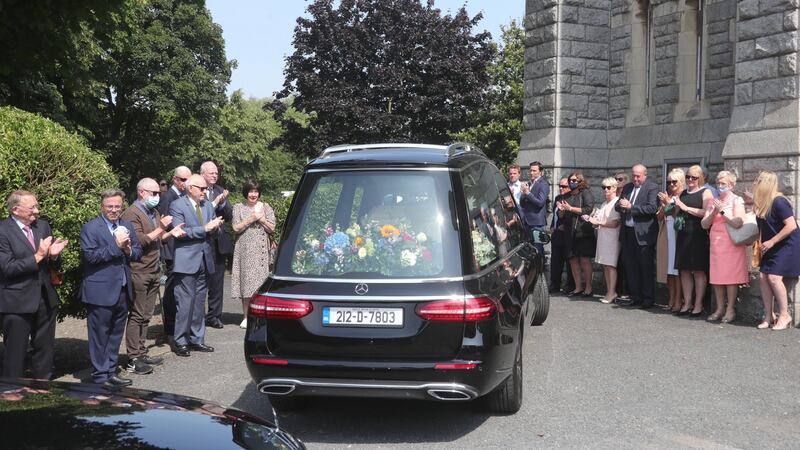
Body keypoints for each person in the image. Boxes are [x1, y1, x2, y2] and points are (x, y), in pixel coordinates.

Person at [0, 190, 68, 379]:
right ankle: (12, 398)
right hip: (17, 303)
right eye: (32, 208)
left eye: (37, 206)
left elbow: (52, 265)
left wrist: (54, 256)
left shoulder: (43, 226)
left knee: (45, 352)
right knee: (15, 355)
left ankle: (42, 392)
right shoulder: (3, 231)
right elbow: (7, 269)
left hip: (45, 299)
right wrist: (38, 255)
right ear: (15, 210)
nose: (37, 211)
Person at [121, 178, 186, 375]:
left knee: (147, 315)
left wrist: (171, 233)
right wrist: (162, 227)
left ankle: (141, 352)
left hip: (154, 269)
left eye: (158, 193)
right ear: (142, 192)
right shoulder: (132, 213)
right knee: (137, 314)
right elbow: (139, 241)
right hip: (139, 270)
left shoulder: (153, 212)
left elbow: (157, 238)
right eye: (154, 193)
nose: (158, 197)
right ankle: (133, 357)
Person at [80, 189, 142, 386]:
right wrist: (116, 246)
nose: (114, 210)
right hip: (100, 291)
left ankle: (111, 370)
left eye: (117, 206)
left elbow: (138, 253)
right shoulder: (91, 228)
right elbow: (91, 257)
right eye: (109, 207)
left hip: (123, 289)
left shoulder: (126, 225)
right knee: (99, 335)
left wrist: (129, 249)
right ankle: (99, 375)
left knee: (116, 333)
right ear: (102, 207)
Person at [169, 174, 225, 356]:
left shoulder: (208, 205)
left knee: (200, 302)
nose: (204, 192)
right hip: (186, 261)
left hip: (205, 259)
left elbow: (216, 232)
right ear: (190, 188)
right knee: (185, 302)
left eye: (205, 189)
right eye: (201, 189)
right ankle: (181, 341)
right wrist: (206, 229)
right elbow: (180, 232)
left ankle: (197, 339)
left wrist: (216, 227)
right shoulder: (177, 205)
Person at [752, 170, 800, 330]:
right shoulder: (763, 202)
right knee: (762, 277)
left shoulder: (779, 201)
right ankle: (768, 315)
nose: (755, 184)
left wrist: (772, 241)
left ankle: (784, 315)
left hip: (787, 244)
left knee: (773, 277)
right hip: (771, 245)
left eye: (758, 182)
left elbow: (792, 225)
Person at [701, 171, 748, 323]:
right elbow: (704, 224)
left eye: (723, 183)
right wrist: (714, 210)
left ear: (731, 185)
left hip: (731, 243)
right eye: (718, 183)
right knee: (717, 277)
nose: (720, 186)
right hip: (716, 242)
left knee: (731, 278)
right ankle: (720, 308)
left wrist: (722, 211)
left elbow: (738, 222)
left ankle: (730, 309)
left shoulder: (737, 200)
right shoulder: (712, 201)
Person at [231, 180, 276, 329]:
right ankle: (246, 316)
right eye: (251, 191)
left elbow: (272, 228)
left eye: (256, 191)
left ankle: (261, 316)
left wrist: (261, 219)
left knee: (261, 284)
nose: (253, 194)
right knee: (246, 283)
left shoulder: (266, 207)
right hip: (244, 249)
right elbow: (236, 228)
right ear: (246, 192)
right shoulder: (238, 207)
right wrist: (250, 219)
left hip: (261, 250)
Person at [615, 164, 659, 309]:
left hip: (643, 234)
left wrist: (631, 207)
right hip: (628, 233)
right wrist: (622, 205)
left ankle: (648, 298)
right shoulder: (627, 187)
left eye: (638, 176)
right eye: (633, 175)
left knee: (645, 267)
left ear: (645, 175)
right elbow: (617, 205)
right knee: (631, 266)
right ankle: (636, 296)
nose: (635, 178)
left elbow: (652, 208)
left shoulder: (651, 187)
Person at [157, 166, 191, 340]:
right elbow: (162, 224)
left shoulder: (185, 196)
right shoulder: (167, 197)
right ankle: (170, 328)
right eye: (183, 180)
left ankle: (180, 325)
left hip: (183, 250)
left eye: (188, 179)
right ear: (175, 180)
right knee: (170, 291)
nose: (186, 183)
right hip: (171, 250)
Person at [673, 165, 713, 316]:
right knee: (684, 269)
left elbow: (706, 213)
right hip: (683, 235)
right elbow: (677, 213)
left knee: (697, 270)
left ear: (700, 178)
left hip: (698, 235)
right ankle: (687, 303)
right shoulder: (683, 192)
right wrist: (674, 207)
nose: (690, 180)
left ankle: (698, 304)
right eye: (688, 176)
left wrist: (685, 207)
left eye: (694, 177)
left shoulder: (706, 192)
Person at [199, 161, 233, 329]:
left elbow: (229, 215)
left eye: (216, 173)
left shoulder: (220, 191)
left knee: (217, 281)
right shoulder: (196, 190)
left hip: (218, 241)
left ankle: (214, 316)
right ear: (202, 173)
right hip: (202, 240)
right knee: (201, 280)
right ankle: (197, 316)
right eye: (211, 173)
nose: (214, 175)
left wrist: (223, 203)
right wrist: (214, 204)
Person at [557, 171, 595, 297]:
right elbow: (561, 216)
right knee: (573, 260)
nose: (572, 183)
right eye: (570, 181)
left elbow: (588, 209)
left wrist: (571, 209)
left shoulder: (586, 193)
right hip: (569, 233)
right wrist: (561, 210)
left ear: (580, 181)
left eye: (574, 180)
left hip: (583, 232)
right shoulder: (566, 196)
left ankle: (588, 287)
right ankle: (578, 287)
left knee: (584, 260)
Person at [656, 169, 685, 313]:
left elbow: (680, 214)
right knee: (669, 271)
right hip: (667, 235)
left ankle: (679, 300)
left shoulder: (683, 196)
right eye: (669, 182)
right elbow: (659, 217)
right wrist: (664, 204)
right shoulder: (669, 196)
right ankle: (671, 299)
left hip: (678, 235)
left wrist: (669, 203)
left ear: (681, 182)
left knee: (677, 270)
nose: (671, 184)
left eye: (674, 181)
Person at [589, 177, 621, 304]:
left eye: (608, 187)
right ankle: (609, 291)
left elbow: (615, 223)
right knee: (605, 265)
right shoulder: (604, 204)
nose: (605, 190)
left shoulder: (616, 203)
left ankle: (612, 292)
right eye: (604, 188)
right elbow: (599, 220)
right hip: (603, 237)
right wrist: (593, 221)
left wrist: (599, 222)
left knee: (611, 265)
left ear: (614, 188)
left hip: (612, 238)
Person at [549, 178, 575, 293]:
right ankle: (555, 284)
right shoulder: (558, 198)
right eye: (560, 186)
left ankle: (570, 285)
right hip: (556, 234)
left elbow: (572, 215)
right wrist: (552, 226)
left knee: (569, 261)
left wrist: (565, 225)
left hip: (567, 235)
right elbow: (555, 214)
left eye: (564, 186)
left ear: (569, 187)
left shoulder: (571, 199)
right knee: (555, 261)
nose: (561, 188)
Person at [519, 161, 549, 254]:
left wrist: (528, 193)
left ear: (540, 172)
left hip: (537, 223)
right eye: (530, 170)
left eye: (534, 171)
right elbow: (522, 203)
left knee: (538, 248)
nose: (531, 173)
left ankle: (541, 267)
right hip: (527, 221)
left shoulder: (543, 184)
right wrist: (523, 194)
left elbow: (540, 202)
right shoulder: (529, 183)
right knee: (529, 248)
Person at [613, 172, 630, 299]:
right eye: (615, 179)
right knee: (616, 262)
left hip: (624, 228)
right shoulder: (615, 193)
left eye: (620, 179)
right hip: (615, 231)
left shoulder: (628, 193)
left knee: (625, 261)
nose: (617, 181)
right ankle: (617, 289)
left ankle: (626, 290)